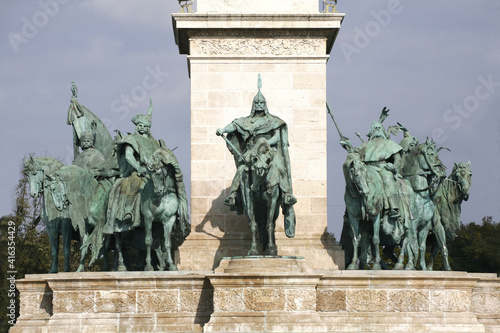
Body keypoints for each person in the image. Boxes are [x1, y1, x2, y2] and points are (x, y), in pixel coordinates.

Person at [216, 76, 296, 237]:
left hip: (269, 153)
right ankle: (232, 195)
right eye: (257, 103)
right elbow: (235, 125)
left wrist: (266, 141)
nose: (259, 105)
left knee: (280, 169)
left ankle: (287, 195)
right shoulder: (247, 121)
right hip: (252, 152)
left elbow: (277, 137)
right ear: (253, 105)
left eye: (262, 103)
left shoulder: (273, 121)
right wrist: (222, 129)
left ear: (265, 105)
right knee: (242, 169)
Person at [104, 100, 163, 234]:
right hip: (138, 170)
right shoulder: (131, 139)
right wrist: (139, 167)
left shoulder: (152, 142)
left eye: (146, 126)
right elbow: (129, 156)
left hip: (154, 170)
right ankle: (128, 211)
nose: (143, 128)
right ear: (137, 126)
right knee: (135, 182)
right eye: (141, 125)